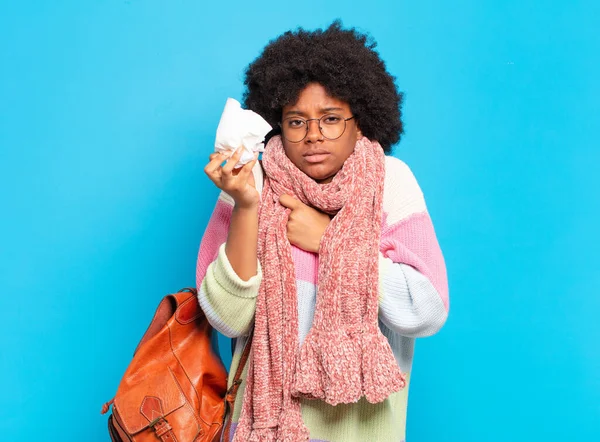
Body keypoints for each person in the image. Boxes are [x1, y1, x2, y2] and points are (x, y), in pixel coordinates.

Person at [196, 21, 449, 442]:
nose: (313, 136)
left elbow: (428, 310)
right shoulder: (249, 182)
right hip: (262, 427)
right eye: (297, 122)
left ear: (360, 120)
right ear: (278, 124)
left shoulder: (391, 183)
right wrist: (245, 205)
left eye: (331, 119)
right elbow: (226, 317)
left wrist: (330, 242)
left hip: (362, 431)